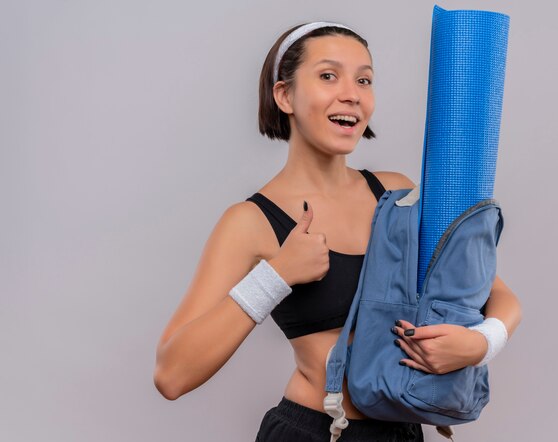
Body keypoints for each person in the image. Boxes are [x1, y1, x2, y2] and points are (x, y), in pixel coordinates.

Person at [153, 21, 522, 441]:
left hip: (403, 430)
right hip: (315, 431)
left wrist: (481, 345)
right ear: (284, 95)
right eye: (328, 75)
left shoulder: (396, 194)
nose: (351, 92)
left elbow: (501, 298)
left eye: (364, 79)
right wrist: (276, 276)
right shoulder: (251, 222)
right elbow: (172, 374)